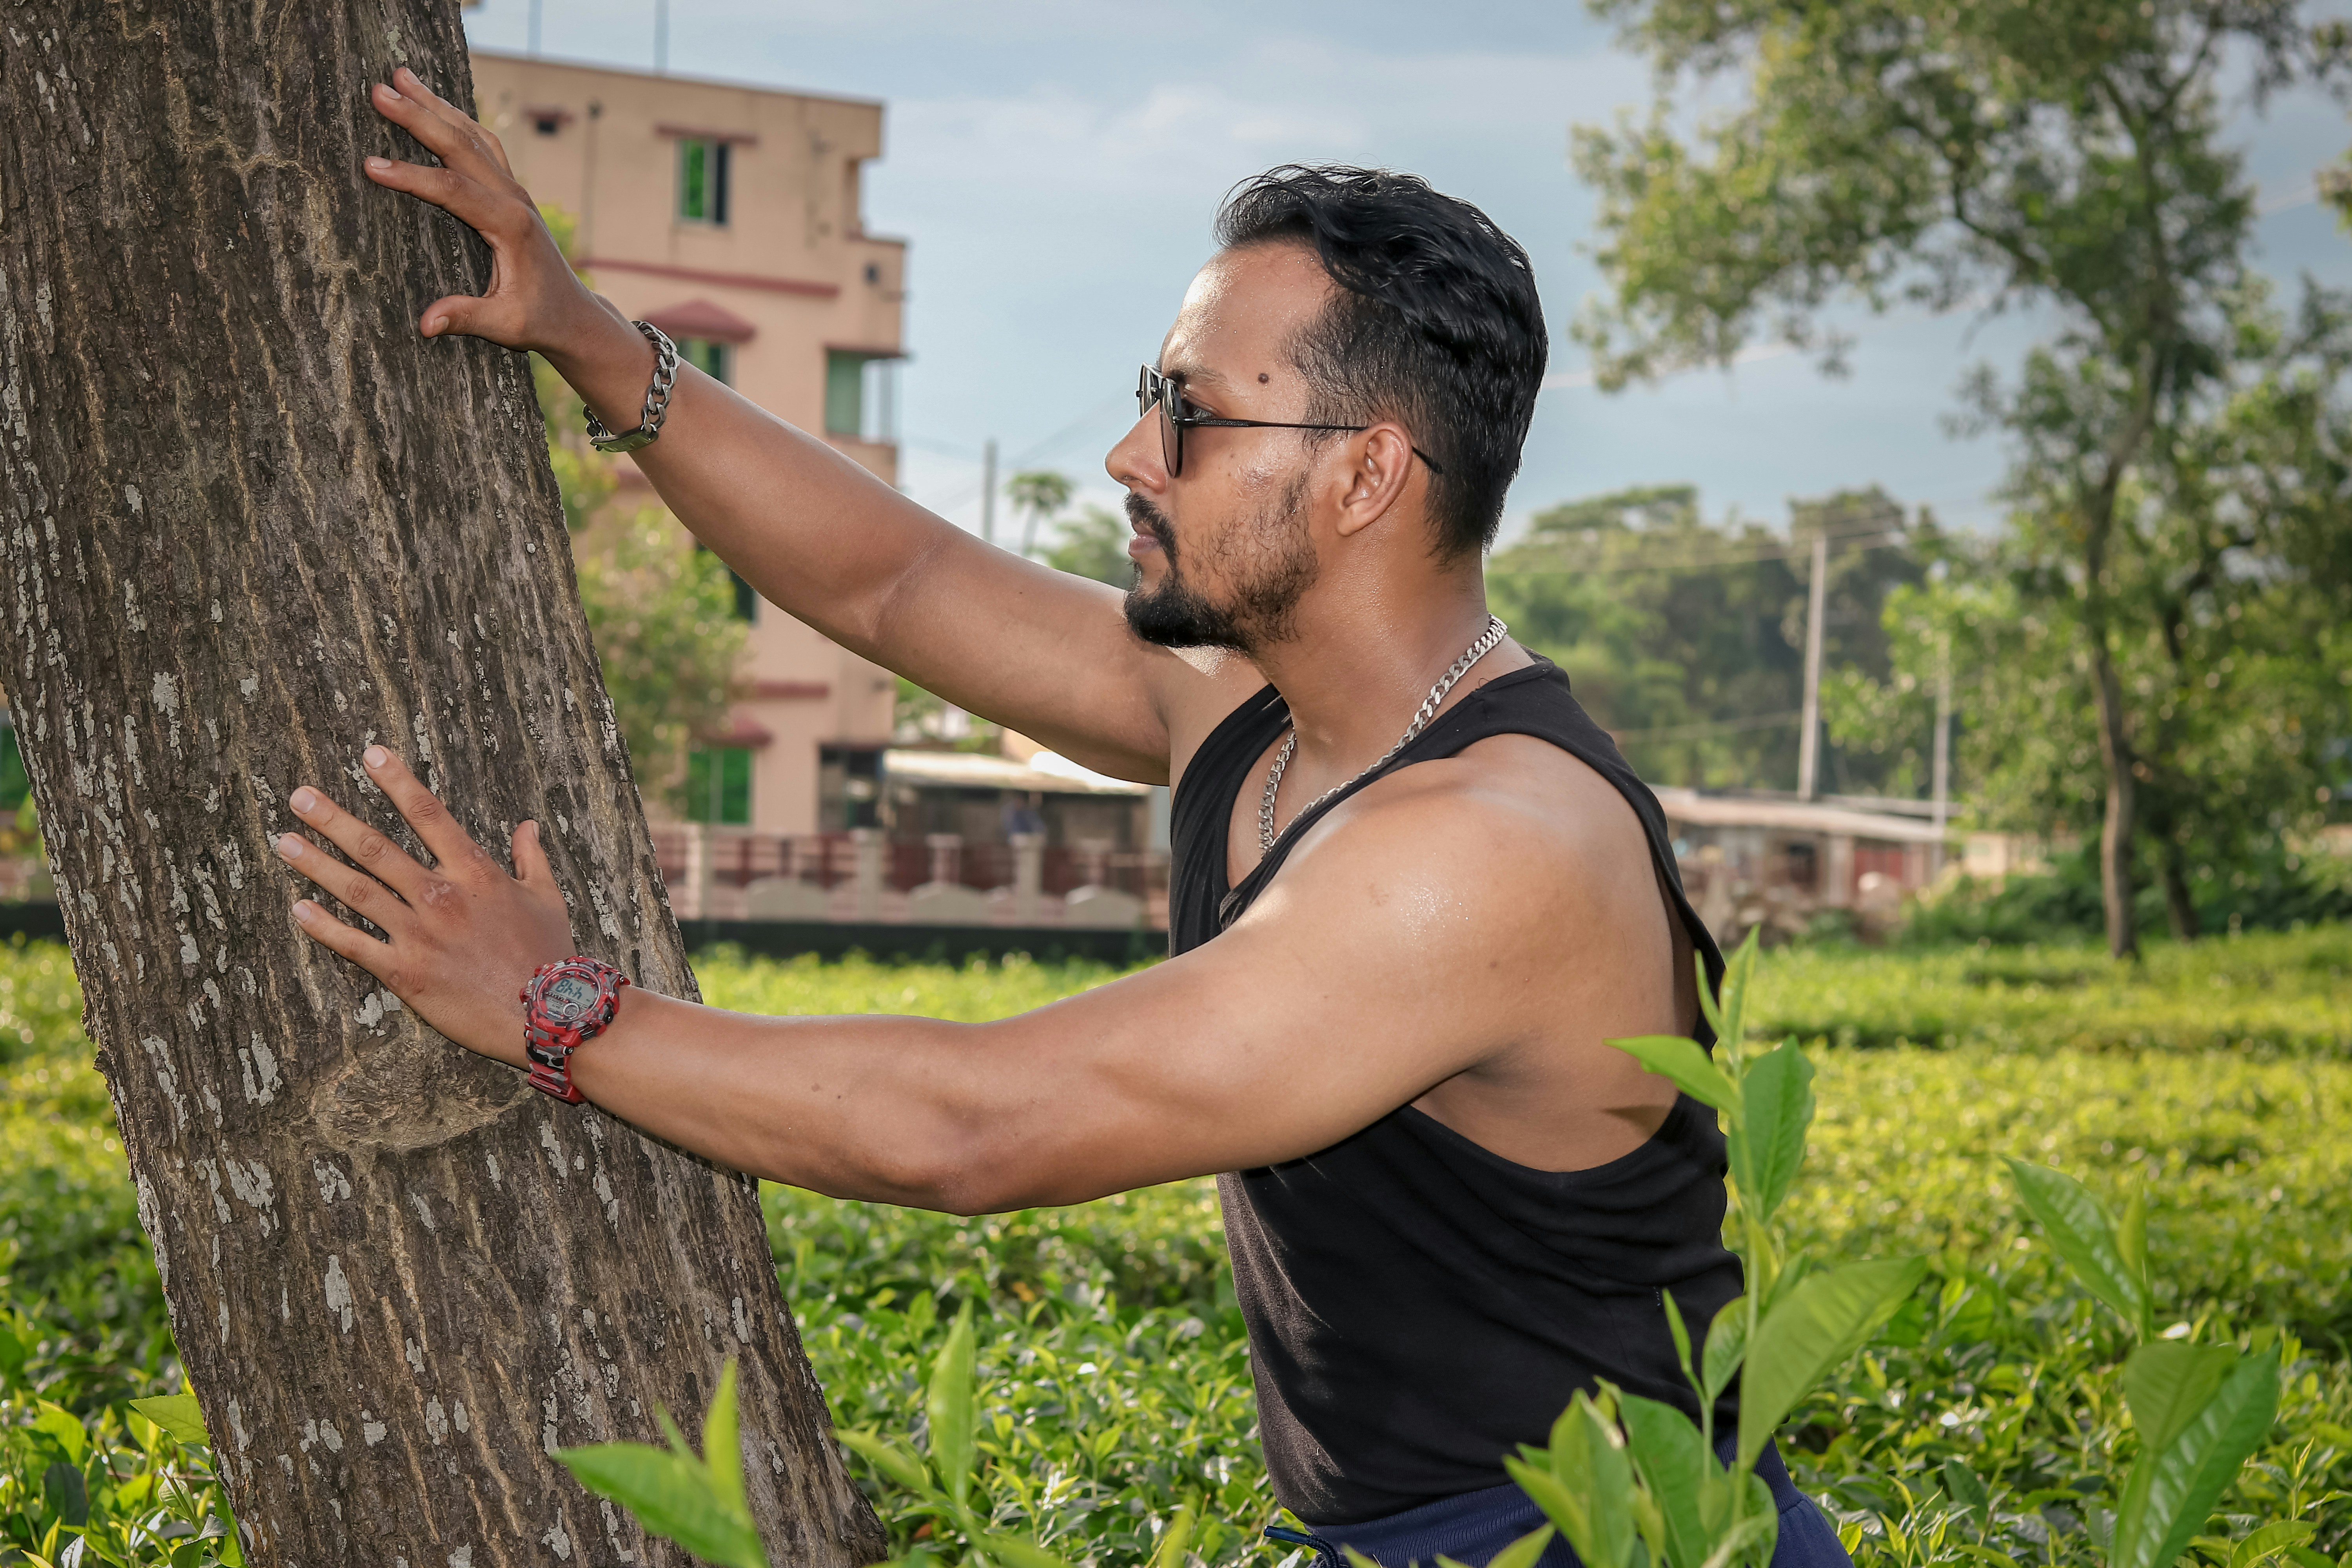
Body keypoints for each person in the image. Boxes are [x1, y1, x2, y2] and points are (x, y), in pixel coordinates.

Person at [274, 67, 1849, 1568]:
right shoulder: (1259, 708)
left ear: (1370, 473)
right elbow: (896, 581)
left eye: (1193, 415)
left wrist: (552, 1010)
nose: (1127, 457)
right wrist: (586, 335)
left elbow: (977, 1127)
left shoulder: (1485, 847)